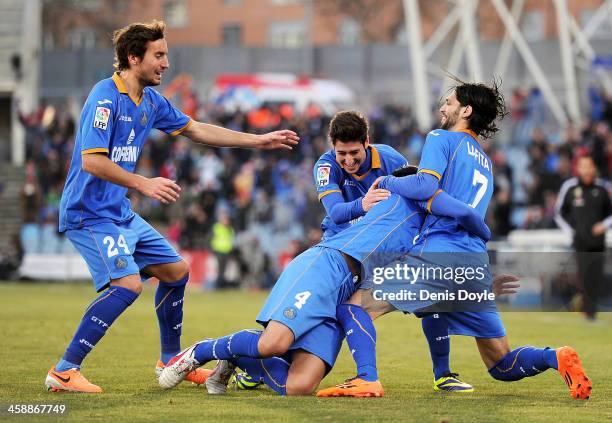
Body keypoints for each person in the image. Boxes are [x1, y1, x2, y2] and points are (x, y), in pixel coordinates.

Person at [45, 20, 299, 394]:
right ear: (134, 57)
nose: (166, 63)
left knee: (177, 271)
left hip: (118, 212)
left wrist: (257, 141)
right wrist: (143, 183)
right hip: (89, 213)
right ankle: (65, 370)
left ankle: (170, 360)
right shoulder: (105, 97)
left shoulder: (150, 101)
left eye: (166, 55)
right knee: (128, 285)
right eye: (158, 55)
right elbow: (92, 161)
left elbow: (196, 129)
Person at [317, 79, 592, 401]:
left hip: (440, 253)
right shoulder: (485, 162)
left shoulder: (441, 138)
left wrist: (387, 181)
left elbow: (422, 187)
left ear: (466, 110)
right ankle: (554, 356)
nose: (442, 108)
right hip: (473, 262)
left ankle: (366, 379)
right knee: (500, 362)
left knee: (354, 307)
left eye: (448, 102)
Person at [158, 165, 491, 396]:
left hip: (346, 288)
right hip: (327, 266)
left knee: (300, 386)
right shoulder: (412, 193)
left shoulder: (427, 228)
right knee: (272, 343)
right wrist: (485, 234)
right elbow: (462, 211)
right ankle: (198, 352)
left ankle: (237, 358)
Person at [314, 110, 472, 392]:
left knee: (429, 297)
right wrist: (364, 203)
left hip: (383, 246)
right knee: (315, 314)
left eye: (354, 153)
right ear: (332, 147)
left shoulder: (391, 160)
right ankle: (262, 366)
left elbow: (416, 199)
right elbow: (337, 213)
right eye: (342, 154)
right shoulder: (326, 166)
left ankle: (443, 374)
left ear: (367, 142)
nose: (348, 161)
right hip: (342, 249)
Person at [555, 155, 611, 320]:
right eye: (583, 166)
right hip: (580, 241)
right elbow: (559, 213)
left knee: (596, 276)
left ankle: (590, 311)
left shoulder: (602, 189)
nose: (586, 170)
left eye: (589, 166)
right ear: (578, 168)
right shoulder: (570, 187)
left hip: (598, 241)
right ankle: (587, 311)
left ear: (594, 168)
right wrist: (573, 230)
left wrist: (604, 225)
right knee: (584, 275)